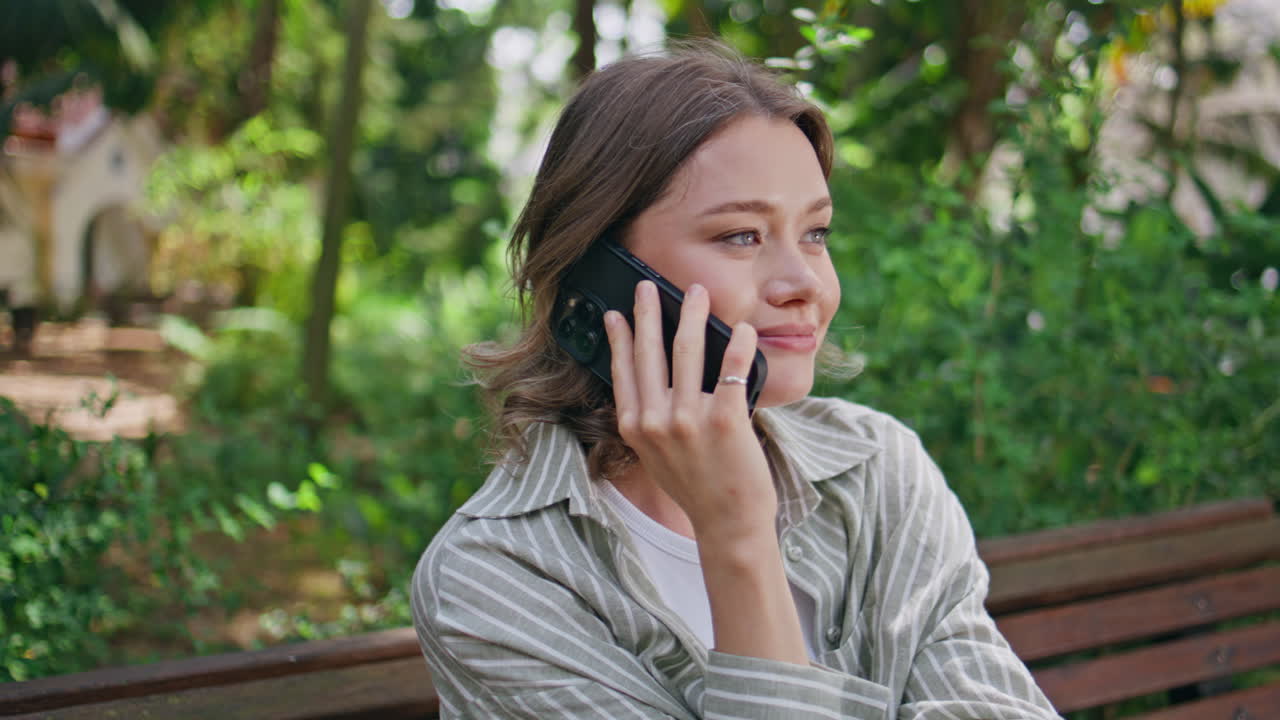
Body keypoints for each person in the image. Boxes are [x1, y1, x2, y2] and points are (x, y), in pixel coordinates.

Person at [411, 41, 1060, 719]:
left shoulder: (878, 473)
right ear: (599, 274)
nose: (806, 283)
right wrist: (739, 539)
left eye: (816, 232)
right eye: (741, 236)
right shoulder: (495, 578)